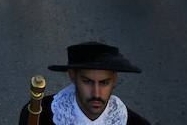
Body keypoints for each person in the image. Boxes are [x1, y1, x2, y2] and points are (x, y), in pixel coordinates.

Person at [17, 42, 149, 125]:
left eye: (104, 83)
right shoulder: (40, 114)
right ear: (72, 75)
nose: (96, 93)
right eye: (87, 82)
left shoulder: (134, 122)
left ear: (114, 80)